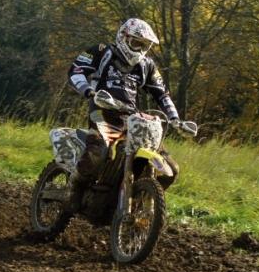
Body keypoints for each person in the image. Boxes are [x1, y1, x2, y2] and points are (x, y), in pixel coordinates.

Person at [65, 18, 182, 213]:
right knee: (98, 152)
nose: (140, 50)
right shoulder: (102, 51)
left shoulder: (147, 65)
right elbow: (76, 71)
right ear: (123, 37)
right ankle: (74, 189)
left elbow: (162, 94)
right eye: (137, 43)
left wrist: (175, 118)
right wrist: (89, 91)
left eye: (145, 46)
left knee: (170, 169)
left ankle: (137, 202)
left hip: (131, 119)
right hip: (102, 111)